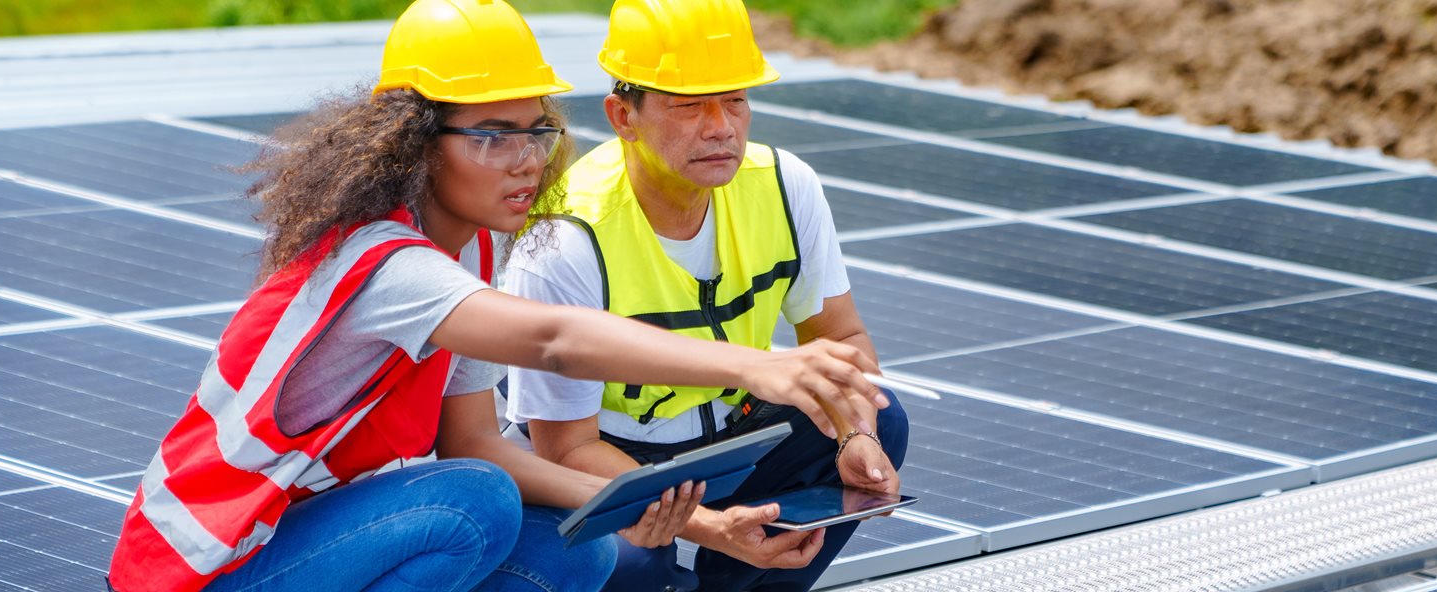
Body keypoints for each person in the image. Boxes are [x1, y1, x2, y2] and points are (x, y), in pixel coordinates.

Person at [104, 1, 886, 590]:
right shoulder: (381, 262)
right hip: (208, 563)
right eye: (489, 135)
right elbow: (553, 341)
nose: (525, 161)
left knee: (572, 549)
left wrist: (705, 525)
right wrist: (757, 367)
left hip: (311, 540)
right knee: (471, 504)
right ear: (415, 144)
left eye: (534, 131)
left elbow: (475, 441)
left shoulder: (471, 247)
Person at [500, 0, 909, 589]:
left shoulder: (784, 186)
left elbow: (840, 338)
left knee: (881, 417)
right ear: (622, 116)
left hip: (732, 438)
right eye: (689, 105)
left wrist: (857, 434)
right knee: (632, 563)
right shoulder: (565, 238)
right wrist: (713, 527)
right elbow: (567, 448)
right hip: (609, 452)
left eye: (735, 100)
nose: (721, 127)